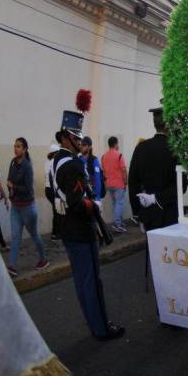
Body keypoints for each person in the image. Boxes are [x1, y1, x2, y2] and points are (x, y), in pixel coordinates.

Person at [53, 109, 124, 341]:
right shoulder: (72, 165)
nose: (79, 141)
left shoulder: (56, 160)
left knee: (82, 281)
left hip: (68, 229)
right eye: (75, 137)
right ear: (65, 137)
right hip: (81, 229)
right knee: (91, 282)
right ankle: (102, 328)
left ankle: (94, 323)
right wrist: (94, 205)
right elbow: (76, 202)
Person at [128, 107, 180, 231]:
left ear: (154, 124)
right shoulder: (175, 149)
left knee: (150, 249)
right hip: (169, 214)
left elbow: (132, 182)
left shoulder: (141, 147)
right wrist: (157, 198)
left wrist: (137, 212)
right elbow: (180, 186)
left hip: (147, 214)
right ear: (169, 125)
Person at [6, 137, 49, 276]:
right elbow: (9, 179)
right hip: (15, 207)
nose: (15, 148)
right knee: (15, 237)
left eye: (18, 146)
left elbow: (29, 190)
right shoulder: (13, 162)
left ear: (24, 150)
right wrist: (10, 188)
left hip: (27, 208)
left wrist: (14, 187)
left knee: (34, 235)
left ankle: (43, 259)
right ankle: (12, 266)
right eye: (15, 146)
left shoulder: (27, 166)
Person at [101, 136, 128, 233]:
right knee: (119, 203)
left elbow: (103, 171)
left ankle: (119, 222)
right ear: (115, 144)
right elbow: (124, 170)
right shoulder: (119, 155)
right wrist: (125, 182)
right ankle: (117, 224)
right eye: (117, 144)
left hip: (109, 184)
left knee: (115, 204)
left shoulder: (104, 156)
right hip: (118, 184)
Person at [44, 141, 61, 240]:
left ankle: (57, 232)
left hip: (47, 189)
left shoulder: (47, 162)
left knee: (57, 210)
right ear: (55, 153)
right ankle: (55, 233)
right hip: (52, 189)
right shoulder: (54, 162)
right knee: (57, 211)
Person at [79, 137, 104, 202]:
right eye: (81, 145)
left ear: (89, 147)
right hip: (81, 197)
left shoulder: (94, 160)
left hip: (93, 196)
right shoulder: (78, 159)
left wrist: (97, 198)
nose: (81, 147)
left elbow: (97, 179)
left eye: (84, 145)